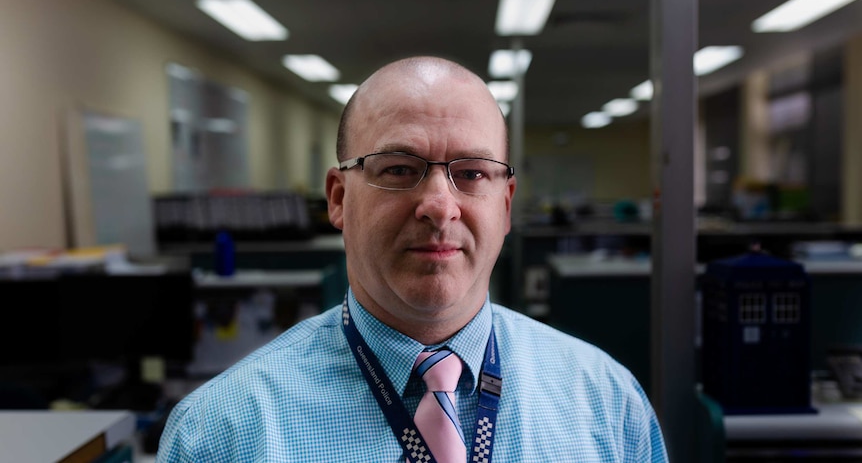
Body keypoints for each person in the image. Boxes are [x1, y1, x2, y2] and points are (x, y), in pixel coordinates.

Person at [156, 56, 668, 462]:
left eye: (471, 173)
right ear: (338, 199)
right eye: (400, 169)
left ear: (506, 205)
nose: (440, 207)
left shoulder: (607, 403)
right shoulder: (221, 433)